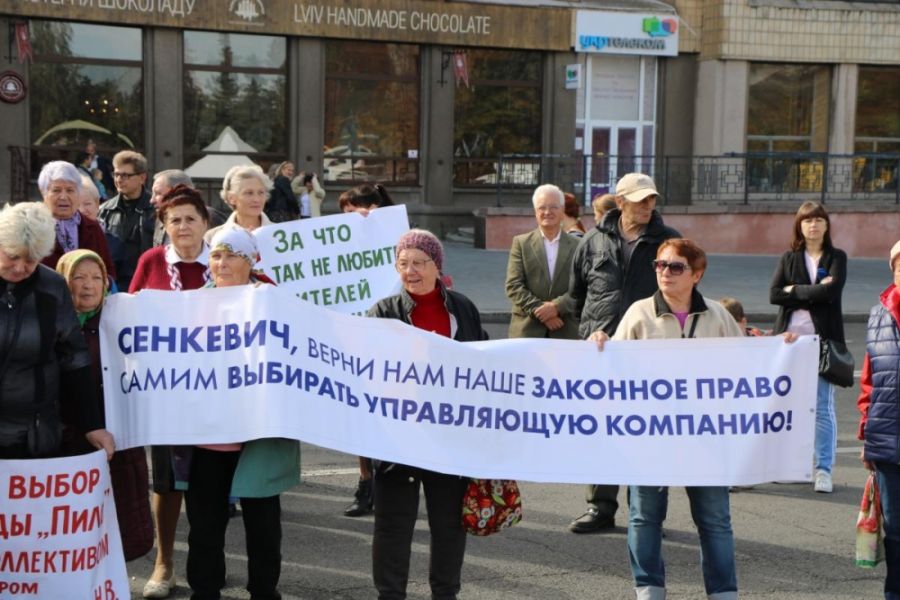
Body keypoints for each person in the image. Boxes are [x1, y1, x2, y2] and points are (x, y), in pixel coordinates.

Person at [591, 238, 774, 600]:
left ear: (696, 274)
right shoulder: (639, 313)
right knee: (645, 517)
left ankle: (723, 592)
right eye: (660, 265)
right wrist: (601, 342)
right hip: (651, 437)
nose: (665, 272)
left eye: (676, 267)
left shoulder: (717, 316)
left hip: (705, 438)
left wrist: (783, 347)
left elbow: (746, 368)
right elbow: (614, 369)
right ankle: (649, 588)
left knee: (714, 520)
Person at [368, 229, 487, 600]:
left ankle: (446, 593)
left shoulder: (463, 308)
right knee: (392, 526)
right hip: (398, 440)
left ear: (438, 266)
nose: (411, 271)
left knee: (449, 526)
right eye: (403, 263)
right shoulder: (383, 313)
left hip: (451, 438)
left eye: (419, 262)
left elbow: (486, 366)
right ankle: (390, 594)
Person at [182, 226, 299, 600]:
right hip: (207, 438)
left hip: (259, 437)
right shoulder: (189, 305)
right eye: (216, 256)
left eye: (231, 255)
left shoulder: (275, 303)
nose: (222, 263)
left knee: (263, 527)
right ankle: (205, 591)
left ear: (251, 262)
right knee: (205, 526)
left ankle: (264, 590)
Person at [567, 172, 680, 533]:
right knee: (603, 431)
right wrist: (591, 331)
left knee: (647, 433)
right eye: (640, 199)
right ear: (620, 202)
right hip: (601, 352)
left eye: (652, 199)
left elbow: (682, 296)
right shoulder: (593, 240)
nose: (648, 205)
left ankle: (645, 513)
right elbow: (578, 295)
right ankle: (600, 507)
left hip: (650, 354)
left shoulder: (668, 242)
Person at [130, 185, 212, 599]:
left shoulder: (223, 261)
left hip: (217, 393)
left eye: (190, 218)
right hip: (166, 393)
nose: (183, 226)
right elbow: (130, 316)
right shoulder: (151, 261)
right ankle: (164, 563)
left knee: (208, 484)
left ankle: (207, 564)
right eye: (174, 220)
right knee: (166, 483)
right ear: (163, 226)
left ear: (205, 223)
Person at [55, 249, 153, 560]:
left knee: (119, 530)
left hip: (118, 443)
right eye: (79, 277)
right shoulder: (51, 325)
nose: (88, 285)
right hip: (66, 445)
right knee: (70, 530)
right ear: (63, 281)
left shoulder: (122, 323)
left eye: (97, 277)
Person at [0, 202, 114, 460]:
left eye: (31, 260)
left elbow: (74, 357)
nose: (20, 267)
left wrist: (92, 424)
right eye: (13, 256)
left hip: (34, 434)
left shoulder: (52, 286)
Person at [770, 200, 846, 494]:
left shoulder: (837, 257)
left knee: (822, 407)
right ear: (799, 226)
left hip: (822, 342)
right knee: (782, 404)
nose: (813, 225)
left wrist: (794, 291)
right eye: (807, 220)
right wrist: (815, 290)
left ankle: (823, 469)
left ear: (826, 225)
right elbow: (774, 295)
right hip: (789, 341)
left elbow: (832, 293)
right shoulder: (789, 258)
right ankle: (787, 465)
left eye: (818, 220)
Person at [339, 181, 396, 518]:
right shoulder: (338, 248)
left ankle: (392, 484)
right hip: (353, 341)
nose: (350, 219)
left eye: (356, 211)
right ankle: (366, 483)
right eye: (344, 213)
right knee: (359, 414)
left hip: (390, 341)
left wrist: (378, 226)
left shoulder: (398, 236)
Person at [857, 240, 900, 600]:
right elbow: (869, 383)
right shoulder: (878, 315)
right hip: (887, 441)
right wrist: (866, 436)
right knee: (896, 530)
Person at [505, 183, 579, 340]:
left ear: (562, 210)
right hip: (527, 331)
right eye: (542, 207)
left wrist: (557, 307)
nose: (547, 212)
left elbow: (583, 286)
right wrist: (543, 312)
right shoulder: (521, 243)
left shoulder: (578, 245)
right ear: (535, 212)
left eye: (553, 207)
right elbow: (513, 285)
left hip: (566, 331)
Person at [37, 161, 116, 282]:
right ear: (44, 193)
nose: (63, 197)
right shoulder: (34, 226)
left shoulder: (92, 227)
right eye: (56, 190)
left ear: (78, 194)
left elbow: (108, 271)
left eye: (70, 190)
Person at [98, 150, 155, 291]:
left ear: (142, 178)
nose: (119, 180)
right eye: (116, 174)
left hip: (147, 283)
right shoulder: (104, 210)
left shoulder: (156, 210)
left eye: (125, 175)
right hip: (114, 285)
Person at [206, 165, 274, 243]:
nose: (256, 199)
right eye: (249, 193)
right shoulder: (213, 237)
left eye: (261, 192)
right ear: (231, 198)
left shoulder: (281, 234)